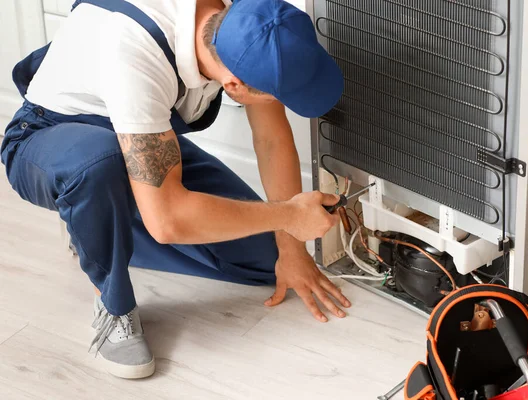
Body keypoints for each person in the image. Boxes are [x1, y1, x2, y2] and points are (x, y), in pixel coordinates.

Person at [1, 0, 350, 379]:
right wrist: (290, 215)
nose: (278, 103)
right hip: (50, 139)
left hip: (139, 136)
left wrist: (291, 246)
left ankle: (100, 221)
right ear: (234, 86)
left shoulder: (247, 24)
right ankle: (113, 303)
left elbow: (270, 139)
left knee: (266, 257)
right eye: (275, 96)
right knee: (101, 166)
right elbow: (168, 223)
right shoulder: (133, 53)